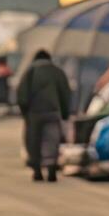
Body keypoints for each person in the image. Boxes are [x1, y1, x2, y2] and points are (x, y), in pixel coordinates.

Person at [16, 49, 71, 182]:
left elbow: (21, 95)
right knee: (52, 140)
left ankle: (37, 171)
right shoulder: (57, 72)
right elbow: (65, 93)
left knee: (34, 141)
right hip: (52, 112)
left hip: (34, 113)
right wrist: (64, 113)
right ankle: (51, 168)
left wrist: (25, 113)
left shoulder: (30, 72)